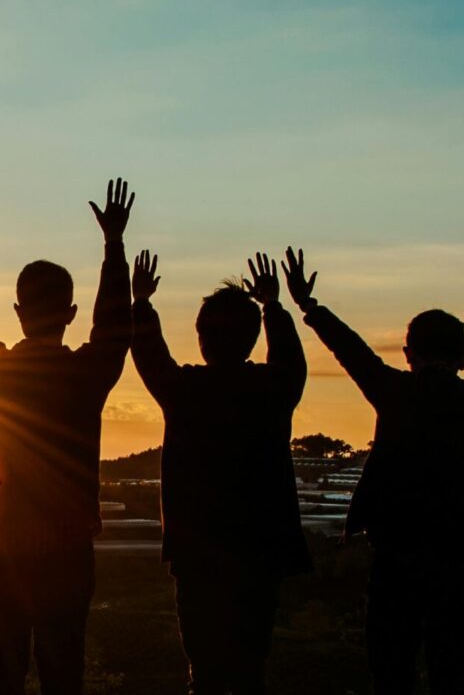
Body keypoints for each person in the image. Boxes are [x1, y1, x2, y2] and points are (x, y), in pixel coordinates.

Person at [286, 249, 464, 695]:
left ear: (407, 353)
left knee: (390, 672)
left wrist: (310, 307)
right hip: (459, 562)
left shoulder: (394, 391)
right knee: (449, 674)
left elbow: (350, 349)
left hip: (395, 560)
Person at [0, 177, 133, 695]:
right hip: (67, 550)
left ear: (18, 312)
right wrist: (113, 247)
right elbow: (115, 326)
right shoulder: (88, 375)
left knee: (1, 675)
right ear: (70, 314)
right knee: (63, 673)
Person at [129, 251, 309, 695]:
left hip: (198, 554)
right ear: (252, 340)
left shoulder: (185, 390)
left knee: (205, 671)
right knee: (251, 667)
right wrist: (274, 307)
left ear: (202, 340)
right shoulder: (272, 390)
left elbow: (150, 354)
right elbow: (290, 360)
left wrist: (142, 304)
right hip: (260, 552)